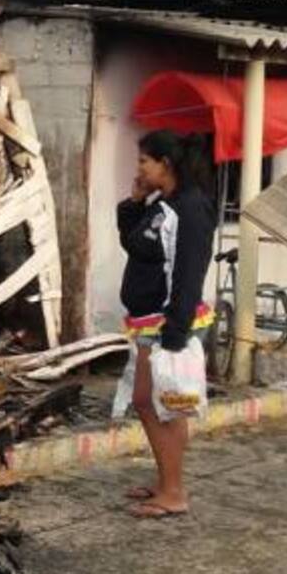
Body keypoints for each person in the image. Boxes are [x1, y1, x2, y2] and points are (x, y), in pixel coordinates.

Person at [116, 129, 216, 519]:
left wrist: (175, 331)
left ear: (166, 164)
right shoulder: (162, 204)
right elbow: (135, 243)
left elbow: (190, 270)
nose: (139, 168)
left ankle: (173, 492)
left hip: (168, 323)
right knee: (163, 403)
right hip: (150, 322)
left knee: (156, 404)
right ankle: (167, 483)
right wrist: (135, 202)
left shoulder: (189, 209)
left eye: (144, 161)